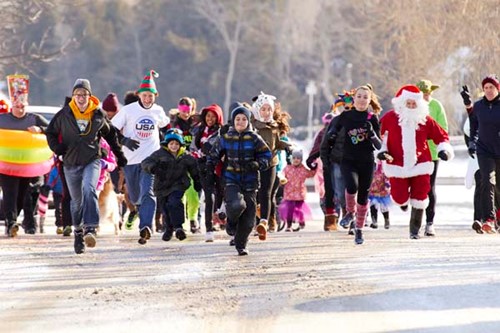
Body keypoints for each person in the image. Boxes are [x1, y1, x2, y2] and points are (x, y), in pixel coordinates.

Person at [45, 78, 127, 254]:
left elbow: (111, 135)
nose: (81, 97)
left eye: (84, 94)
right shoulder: (64, 114)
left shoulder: (98, 114)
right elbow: (50, 132)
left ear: (90, 96)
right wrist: (58, 149)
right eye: (77, 94)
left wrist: (119, 156)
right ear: (73, 96)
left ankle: (90, 228)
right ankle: (78, 234)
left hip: (92, 159)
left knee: (90, 189)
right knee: (76, 202)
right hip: (71, 162)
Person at [378, 84, 453, 239]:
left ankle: (414, 230)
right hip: (397, 164)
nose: (411, 107)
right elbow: (380, 138)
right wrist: (382, 152)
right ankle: (403, 201)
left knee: (420, 196)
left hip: (421, 163)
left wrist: (443, 150)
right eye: (408, 103)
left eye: (414, 104)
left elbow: (441, 136)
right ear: (401, 104)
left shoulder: (425, 120)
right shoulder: (390, 118)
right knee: (399, 197)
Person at [111, 71, 169, 244]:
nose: (147, 99)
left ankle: (145, 227)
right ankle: (138, 210)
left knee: (148, 192)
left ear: (155, 96)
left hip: (151, 159)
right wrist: (124, 140)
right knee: (136, 196)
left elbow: (165, 125)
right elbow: (111, 129)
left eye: (151, 96)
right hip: (130, 159)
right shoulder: (128, 110)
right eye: (145, 95)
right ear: (139, 95)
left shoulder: (158, 111)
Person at [206, 103, 271, 255]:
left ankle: (241, 244)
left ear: (248, 121)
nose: (240, 122)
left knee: (249, 219)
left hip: (250, 181)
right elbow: (214, 154)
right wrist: (209, 167)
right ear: (233, 121)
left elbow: (266, 155)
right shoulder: (226, 137)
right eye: (237, 119)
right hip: (231, 179)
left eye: (243, 119)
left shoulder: (255, 138)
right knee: (236, 205)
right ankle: (231, 222)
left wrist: (257, 164)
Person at [326, 85, 382, 245]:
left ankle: (359, 230)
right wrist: (332, 134)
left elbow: (379, 145)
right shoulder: (346, 115)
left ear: (370, 100)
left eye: (366, 97)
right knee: (351, 186)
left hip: (366, 161)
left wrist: (371, 134)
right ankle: (350, 213)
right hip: (348, 159)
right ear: (354, 98)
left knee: (363, 196)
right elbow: (333, 129)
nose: (362, 100)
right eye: (359, 96)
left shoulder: (372, 118)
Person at [0, 91, 49, 237]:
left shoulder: (34, 118)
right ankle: (11, 223)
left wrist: (40, 129)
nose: (20, 109)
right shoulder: (2, 119)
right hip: (7, 164)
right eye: (17, 106)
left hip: (28, 165)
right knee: (10, 193)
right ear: (12, 105)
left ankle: (14, 221)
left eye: (23, 106)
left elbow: (54, 130)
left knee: (22, 195)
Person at [141, 129, 201, 244]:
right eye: (171, 143)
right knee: (166, 208)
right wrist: (153, 168)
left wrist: (197, 181)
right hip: (162, 186)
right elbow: (146, 162)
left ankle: (179, 227)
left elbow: (194, 169)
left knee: (175, 203)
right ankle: (168, 228)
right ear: (167, 144)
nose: (174, 146)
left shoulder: (185, 156)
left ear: (180, 145)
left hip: (178, 185)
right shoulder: (159, 154)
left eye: (177, 144)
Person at [462, 74, 500, 233]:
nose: (489, 91)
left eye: (491, 87)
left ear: (497, 88)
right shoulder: (479, 106)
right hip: (484, 150)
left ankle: (497, 216)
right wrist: (472, 142)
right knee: (487, 181)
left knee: (499, 187)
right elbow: (473, 125)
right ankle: (488, 219)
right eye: (486, 88)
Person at [251, 92, 292, 239]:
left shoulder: (274, 126)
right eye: (263, 109)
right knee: (254, 193)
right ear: (257, 110)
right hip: (254, 164)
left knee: (266, 193)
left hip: (271, 163)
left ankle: (264, 222)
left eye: (269, 109)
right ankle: (254, 222)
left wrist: (286, 146)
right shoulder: (252, 126)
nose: (266, 112)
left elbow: (277, 144)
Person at [416, 80, 448, 236]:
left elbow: (443, 128)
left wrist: (431, 138)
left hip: (433, 153)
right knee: (417, 187)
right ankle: (416, 221)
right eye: (422, 94)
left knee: (429, 187)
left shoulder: (436, 106)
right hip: (415, 153)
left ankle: (429, 222)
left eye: (427, 93)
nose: (425, 96)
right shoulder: (412, 105)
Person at [192, 103, 225, 242]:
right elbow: (193, 146)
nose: (210, 119)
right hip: (203, 166)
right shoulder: (199, 130)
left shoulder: (221, 132)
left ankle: (220, 214)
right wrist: (196, 153)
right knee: (208, 195)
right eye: (208, 116)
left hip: (218, 166)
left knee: (220, 193)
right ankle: (209, 228)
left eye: (213, 117)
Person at [168, 97, 200, 234]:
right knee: (178, 195)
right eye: (182, 110)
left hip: (193, 163)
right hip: (177, 163)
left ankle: (193, 219)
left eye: (188, 110)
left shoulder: (196, 124)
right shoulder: (174, 124)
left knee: (193, 194)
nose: (185, 113)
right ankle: (178, 223)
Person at [278, 149, 316, 232]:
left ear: (301, 160)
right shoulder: (287, 168)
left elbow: (311, 174)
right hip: (289, 193)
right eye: (294, 158)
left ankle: (301, 221)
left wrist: (314, 167)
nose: (296, 160)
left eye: (298, 158)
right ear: (291, 159)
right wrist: (282, 179)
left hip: (300, 193)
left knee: (299, 209)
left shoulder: (303, 169)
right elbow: (282, 174)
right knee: (289, 209)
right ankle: (289, 225)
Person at [368, 159, 391, 229]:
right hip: (372, 188)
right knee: (373, 204)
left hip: (382, 188)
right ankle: (374, 221)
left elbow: (386, 173)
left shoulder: (382, 163)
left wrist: (387, 184)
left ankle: (386, 220)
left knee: (384, 206)